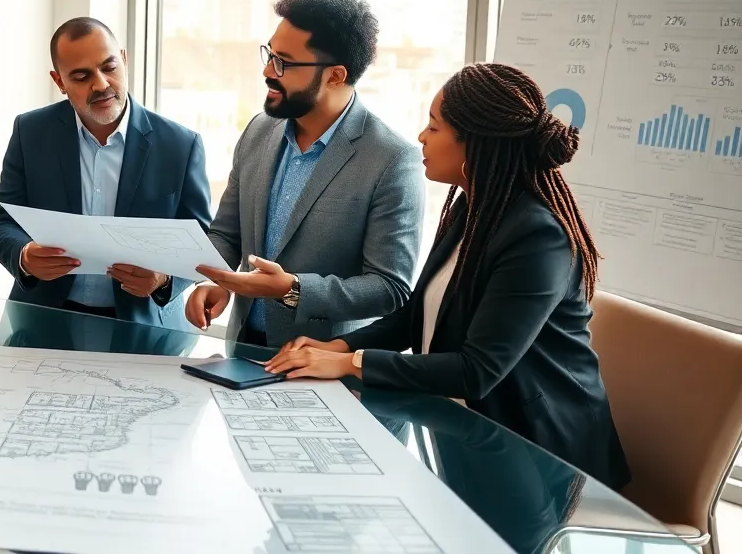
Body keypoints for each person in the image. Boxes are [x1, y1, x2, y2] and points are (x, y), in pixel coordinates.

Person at [266, 62, 631, 489]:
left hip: (544, 459)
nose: (421, 136)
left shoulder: (538, 237)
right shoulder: (472, 208)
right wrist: (339, 345)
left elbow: (477, 370)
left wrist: (349, 363)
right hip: (469, 435)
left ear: (474, 144)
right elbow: (415, 316)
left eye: (434, 127)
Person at [186, 0, 425, 347]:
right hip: (242, 347)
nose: (268, 70)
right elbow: (227, 236)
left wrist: (293, 290)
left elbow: (390, 287)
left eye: (284, 61)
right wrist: (214, 280)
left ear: (335, 75)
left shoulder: (391, 159)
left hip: (325, 363)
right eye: (269, 54)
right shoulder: (258, 131)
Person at [0, 17, 211, 328]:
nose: (101, 84)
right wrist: (24, 256)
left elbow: (200, 238)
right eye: (81, 76)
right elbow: (1, 222)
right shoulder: (30, 131)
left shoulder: (180, 145)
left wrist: (163, 279)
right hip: (45, 323)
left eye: (109, 67)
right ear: (59, 81)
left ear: (125, 60)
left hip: (144, 329)